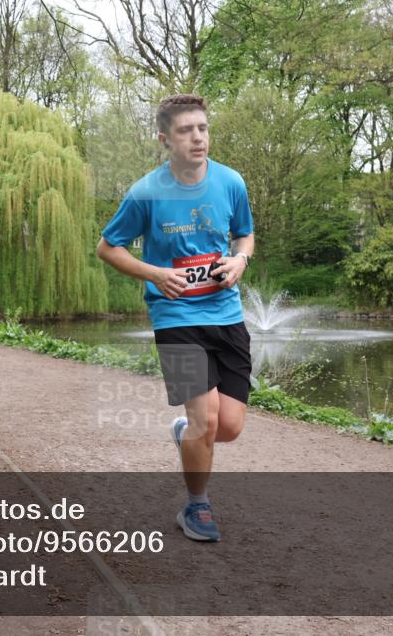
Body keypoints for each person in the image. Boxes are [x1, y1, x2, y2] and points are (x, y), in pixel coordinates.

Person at [96, 94, 254, 542]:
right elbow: (108, 247)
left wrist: (241, 261)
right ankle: (196, 506)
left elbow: (245, 234)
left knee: (229, 427)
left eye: (202, 128)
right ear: (166, 139)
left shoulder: (230, 182)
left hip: (227, 315)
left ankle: (187, 434)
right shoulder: (146, 191)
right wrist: (154, 274)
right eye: (186, 130)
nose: (197, 137)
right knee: (206, 420)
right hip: (175, 318)